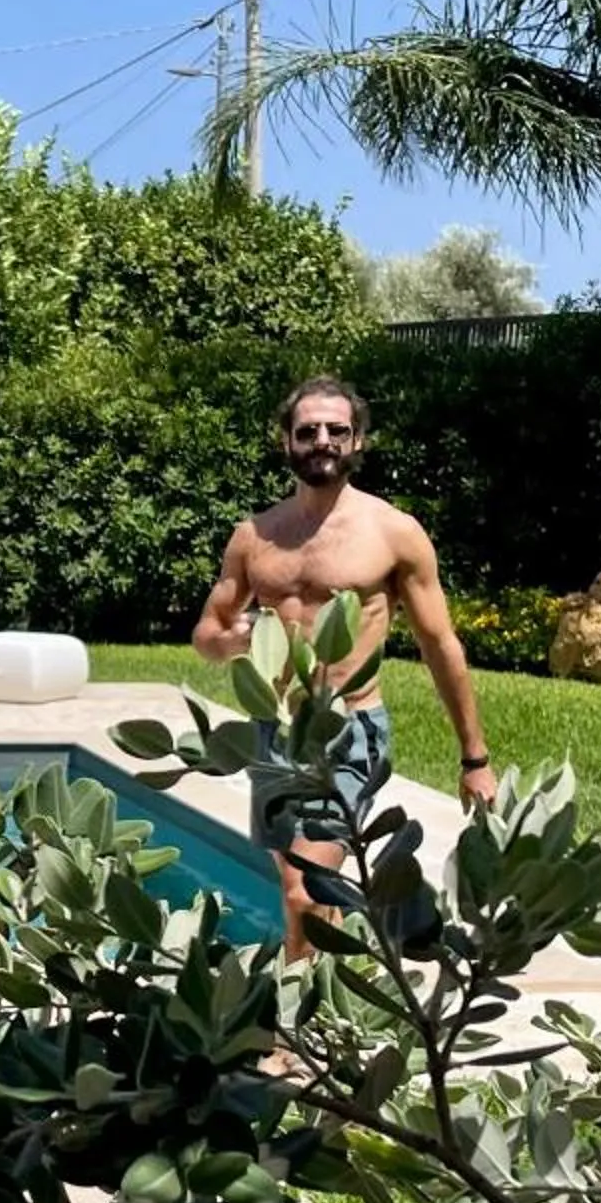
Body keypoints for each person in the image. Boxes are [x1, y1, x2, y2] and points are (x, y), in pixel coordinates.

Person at [193, 375, 497, 957]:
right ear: (286, 442)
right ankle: (335, 1002)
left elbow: (441, 645)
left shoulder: (394, 533)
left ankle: (294, 1039)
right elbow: (208, 634)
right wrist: (245, 638)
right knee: (301, 889)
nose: (323, 440)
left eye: (337, 430)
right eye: (308, 431)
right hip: (276, 731)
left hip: (348, 733)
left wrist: (474, 758)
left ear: (358, 441)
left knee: (306, 891)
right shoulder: (255, 537)